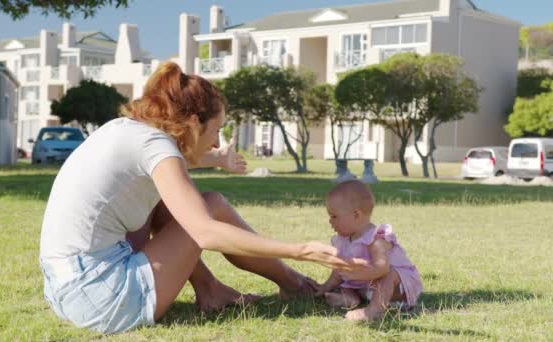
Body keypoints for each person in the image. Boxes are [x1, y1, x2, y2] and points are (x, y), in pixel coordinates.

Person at [39, 62, 360, 334]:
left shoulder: (128, 130)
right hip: (102, 297)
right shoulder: (155, 146)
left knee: (167, 204)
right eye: (215, 130)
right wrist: (301, 250)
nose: (217, 139)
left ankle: (211, 290)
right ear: (193, 122)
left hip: (67, 289)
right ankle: (294, 284)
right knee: (211, 205)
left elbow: (174, 162)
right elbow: (205, 231)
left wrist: (217, 159)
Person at [316, 180, 423, 321]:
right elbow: (338, 271)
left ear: (356, 215)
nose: (330, 221)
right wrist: (325, 287)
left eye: (334, 216)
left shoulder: (376, 238)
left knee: (388, 273)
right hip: (369, 286)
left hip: (398, 289)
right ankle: (349, 299)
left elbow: (382, 268)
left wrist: (357, 273)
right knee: (347, 282)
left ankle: (374, 311)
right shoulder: (342, 240)